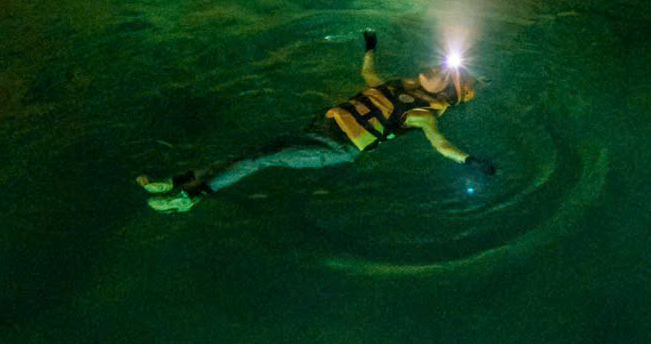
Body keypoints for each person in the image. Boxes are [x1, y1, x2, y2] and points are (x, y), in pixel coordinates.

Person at [139, 32, 494, 212]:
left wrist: (469, 160)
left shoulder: (424, 114)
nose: (436, 67)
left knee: (261, 158)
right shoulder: (398, 87)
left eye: (443, 72)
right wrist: (370, 46)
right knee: (255, 152)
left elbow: (440, 143)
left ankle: (188, 198)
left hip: (335, 148)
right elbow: (368, 72)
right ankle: (176, 181)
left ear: (447, 89)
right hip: (321, 130)